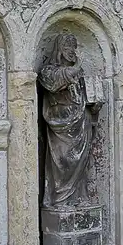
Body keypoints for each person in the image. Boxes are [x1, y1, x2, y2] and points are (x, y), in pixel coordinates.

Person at [39, 33, 99, 209]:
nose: (72, 51)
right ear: (59, 49)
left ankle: (79, 197)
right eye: (67, 47)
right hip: (61, 125)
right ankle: (60, 200)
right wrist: (77, 66)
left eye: (74, 47)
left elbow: (85, 96)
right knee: (64, 161)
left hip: (81, 122)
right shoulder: (49, 71)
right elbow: (55, 81)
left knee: (82, 160)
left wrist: (95, 105)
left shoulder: (79, 73)